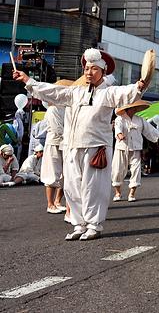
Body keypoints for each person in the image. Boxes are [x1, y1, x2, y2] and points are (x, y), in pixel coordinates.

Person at [14, 48, 147, 240]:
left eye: (93, 69)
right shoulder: (75, 92)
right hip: (72, 146)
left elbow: (125, 93)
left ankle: (94, 224)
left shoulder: (108, 93)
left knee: (94, 187)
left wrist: (139, 87)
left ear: (102, 71)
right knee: (72, 187)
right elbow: (53, 91)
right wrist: (28, 81)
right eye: (86, 68)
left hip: (96, 148)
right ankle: (78, 224)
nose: (88, 72)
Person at [112, 100, 159, 202]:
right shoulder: (120, 119)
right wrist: (120, 135)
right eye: (133, 107)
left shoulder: (140, 120)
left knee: (136, 171)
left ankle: (132, 193)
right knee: (117, 170)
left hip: (136, 148)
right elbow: (118, 129)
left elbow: (150, 131)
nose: (135, 109)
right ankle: (117, 192)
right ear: (127, 108)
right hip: (122, 147)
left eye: (135, 107)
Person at [40, 93, 70, 214]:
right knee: (52, 173)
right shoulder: (52, 110)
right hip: (54, 142)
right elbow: (56, 128)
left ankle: (57, 201)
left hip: (65, 143)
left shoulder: (67, 109)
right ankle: (50, 204)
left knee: (65, 174)